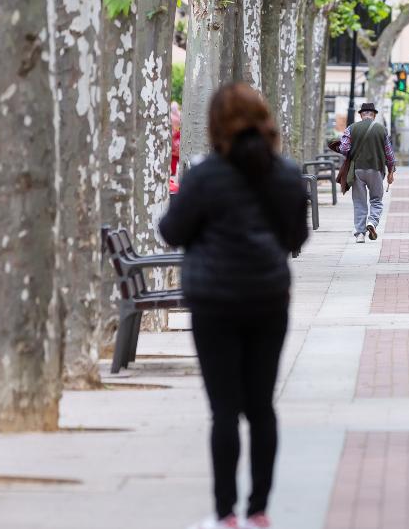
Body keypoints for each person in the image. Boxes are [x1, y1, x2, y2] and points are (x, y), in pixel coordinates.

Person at [159, 83, 309, 529]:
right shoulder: (286, 174)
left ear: (216, 125)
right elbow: (296, 238)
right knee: (261, 407)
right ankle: (259, 509)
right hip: (268, 298)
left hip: (214, 301)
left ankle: (225, 514)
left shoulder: (205, 175)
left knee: (223, 410)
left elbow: (172, 231)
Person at [339, 102, 396, 243]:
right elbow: (389, 154)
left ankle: (360, 234)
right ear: (374, 115)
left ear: (361, 115)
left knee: (359, 202)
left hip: (357, 170)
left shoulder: (351, 128)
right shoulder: (382, 129)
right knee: (376, 200)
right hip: (376, 169)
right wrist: (391, 171)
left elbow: (344, 148)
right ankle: (372, 222)